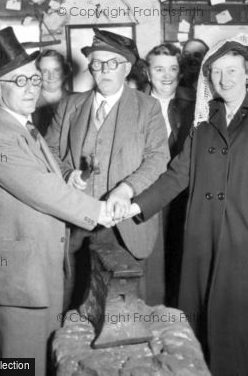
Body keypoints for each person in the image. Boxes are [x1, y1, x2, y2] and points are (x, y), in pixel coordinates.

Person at [129, 34, 248, 375]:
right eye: (217, 72)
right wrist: (135, 206)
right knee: (206, 329)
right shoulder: (203, 120)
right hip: (204, 240)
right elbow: (177, 175)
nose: (225, 79)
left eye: (233, 71)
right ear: (207, 77)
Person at [0, 27, 114, 374]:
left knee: (39, 359)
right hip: (15, 278)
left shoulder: (23, 128)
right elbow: (41, 190)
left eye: (34, 79)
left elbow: (46, 181)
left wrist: (69, 178)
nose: (32, 87)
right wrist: (102, 211)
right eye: (19, 82)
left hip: (36, 269)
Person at [45, 28, 170, 309]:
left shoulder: (147, 107)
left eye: (112, 63)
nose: (104, 70)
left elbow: (157, 158)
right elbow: (48, 151)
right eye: (97, 63)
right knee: (73, 300)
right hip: (77, 219)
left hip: (126, 225)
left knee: (126, 306)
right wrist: (67, 173)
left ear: (126, 68)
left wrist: (126, 189)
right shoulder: (70, 105)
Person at [144, 43, 196, 306]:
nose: (167, 75)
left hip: (184, 193)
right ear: (147, 72)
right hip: (148, 192)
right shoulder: (134, 103)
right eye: (159, 69)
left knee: (182, 257)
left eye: (173, 68)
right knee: (151, 259)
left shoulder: (197, 102)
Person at [32, 50, 71, 136]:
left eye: (56, 70)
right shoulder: (29, 104)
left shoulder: (81, 100)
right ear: (38, 75)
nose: (51, 76)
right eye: (45, 71)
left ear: (65, 72)